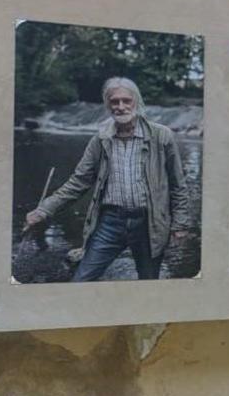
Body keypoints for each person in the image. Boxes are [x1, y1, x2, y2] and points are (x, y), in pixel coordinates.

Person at [24, 77, 195, 281]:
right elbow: (78, 183)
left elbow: (178, 185)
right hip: (110, 222)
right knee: (81, 280)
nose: (120, 107)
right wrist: (44, 209)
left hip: (149, 222)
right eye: (115, 102)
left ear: (136, 102)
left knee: (148, 283)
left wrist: (180, 225)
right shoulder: (100, 140)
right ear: (108, 105)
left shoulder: (162, 136)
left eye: (126, 101)